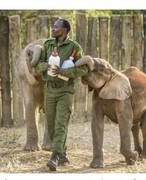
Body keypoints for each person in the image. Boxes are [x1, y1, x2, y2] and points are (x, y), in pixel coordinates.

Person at [35, 18, 89, 171]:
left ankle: (54, 157)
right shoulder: (48, 45)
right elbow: (39, 65)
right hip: (49, 89)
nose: (53, 29)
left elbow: (83, 69)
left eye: (56, 27)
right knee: (51, 125)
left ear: (65, 30)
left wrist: (64, 71)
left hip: (65, 91)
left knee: (60, 123)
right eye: (53, 26)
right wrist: (48, 66)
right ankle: (62, 154)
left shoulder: (74, 47)